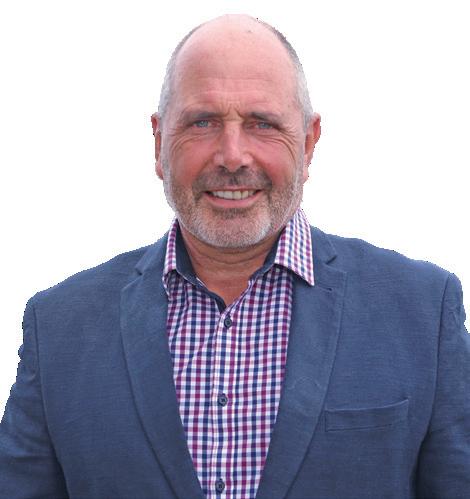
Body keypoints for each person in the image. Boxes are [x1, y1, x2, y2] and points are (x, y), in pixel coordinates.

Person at [1, 13, 469, 499]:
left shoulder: (422, 313)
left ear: (309, 143)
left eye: (262, 124)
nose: (232, 156)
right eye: (202, 122)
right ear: (159, 142)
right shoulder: (57, 329)